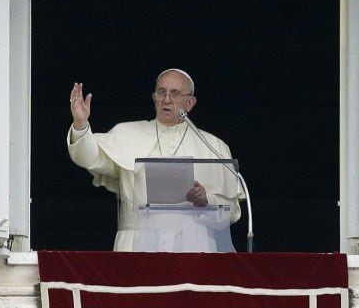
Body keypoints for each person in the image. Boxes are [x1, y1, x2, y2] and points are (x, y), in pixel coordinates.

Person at [67, 68, 243, 251]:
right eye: (161, 92)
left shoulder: (213, 146)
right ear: (154, 97)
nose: (167, 99)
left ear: (190, 103)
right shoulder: (127, 133)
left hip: (195, 245)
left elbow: (232, 212)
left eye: (175, 93)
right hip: (135, 244)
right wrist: (81, 124)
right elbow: (90, 158)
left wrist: (206, 200)